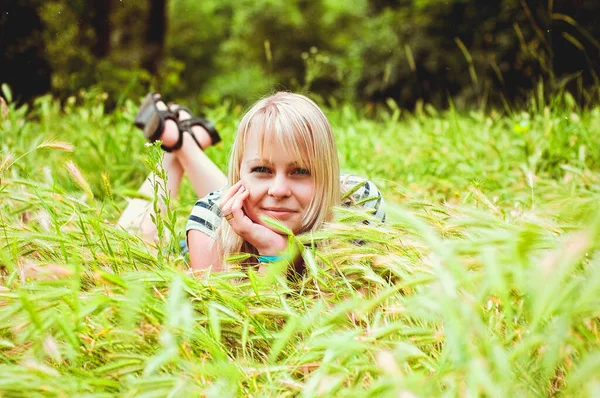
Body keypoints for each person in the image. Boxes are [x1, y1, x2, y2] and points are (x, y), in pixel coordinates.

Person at [118, 91, 385, 272]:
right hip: (222, 231)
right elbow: (241, 333)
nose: (279, 190)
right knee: (127, 250)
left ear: (327, 172)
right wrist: (274, 255)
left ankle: (178, 139)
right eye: (261, 169)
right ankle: (176, 142)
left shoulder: (358, 205)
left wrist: (271, 248)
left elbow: (355, 319)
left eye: (301, 171)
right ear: (239, 171)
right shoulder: (209, 223)